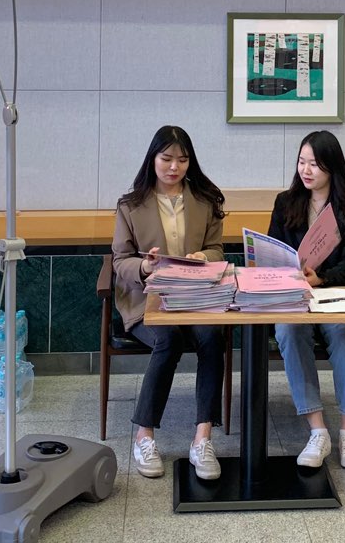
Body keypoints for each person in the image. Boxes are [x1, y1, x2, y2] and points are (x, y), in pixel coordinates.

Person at [112, 125, 227, 480]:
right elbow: (120, 261)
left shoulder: (205, 201)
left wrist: (203, 257)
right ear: (153, 159)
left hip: (193, 298)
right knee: (169, 338)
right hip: (147, 300)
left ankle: (202, 438)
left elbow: (216, 249)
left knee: (212, 337)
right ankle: (144, 436)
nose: (174, 167)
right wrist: (145, 266)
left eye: (182, 159)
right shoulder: (131, 205)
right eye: (166, 158)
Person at [268, 130, 345, 469]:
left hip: (335, 296)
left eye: (314, 164)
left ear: (332, 166)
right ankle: (317, 430)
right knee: (288, 330)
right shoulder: (286, 203)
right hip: (294, 297)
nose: (306, 170)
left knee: (344, 332)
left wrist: (323, 277)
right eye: (301, 162)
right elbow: (273, 251)